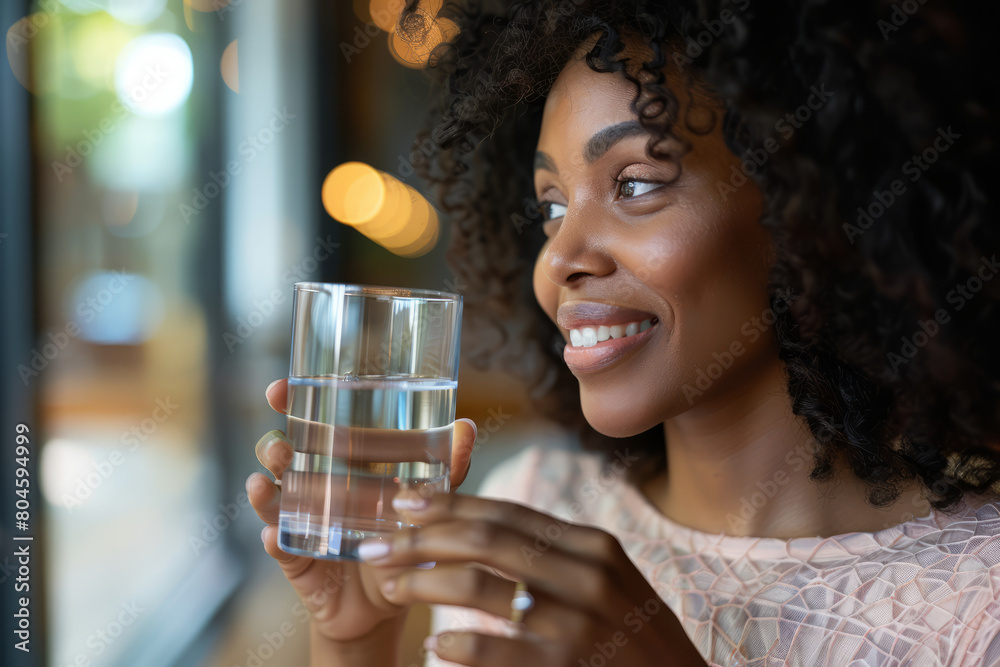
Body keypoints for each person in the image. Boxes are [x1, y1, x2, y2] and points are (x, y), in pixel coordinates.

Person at [246, 1, 1000, 665]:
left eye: (634, 184)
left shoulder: (979, 602)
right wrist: (354, 639)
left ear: (810, 203)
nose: (560, 259)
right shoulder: (532, 512)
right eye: (550, 206)